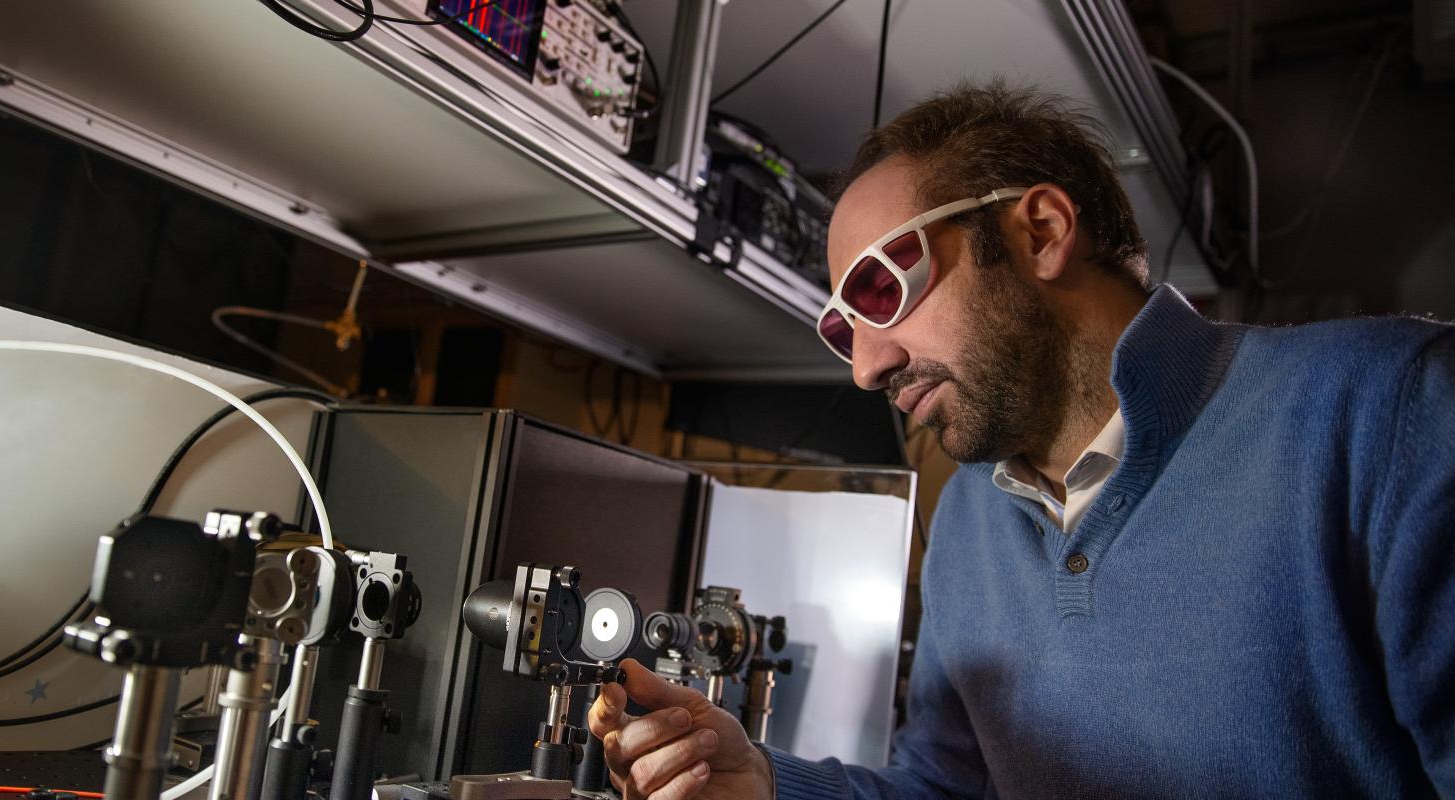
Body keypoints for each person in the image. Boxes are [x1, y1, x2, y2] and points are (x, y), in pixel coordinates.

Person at [588, 81, 1455, 799]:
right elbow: (954, 790)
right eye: (840, 327)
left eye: (882, 290)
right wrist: (766, 783)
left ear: (1039, 232)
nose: (866, 366)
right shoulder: (970, 518)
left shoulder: (1390, 409)